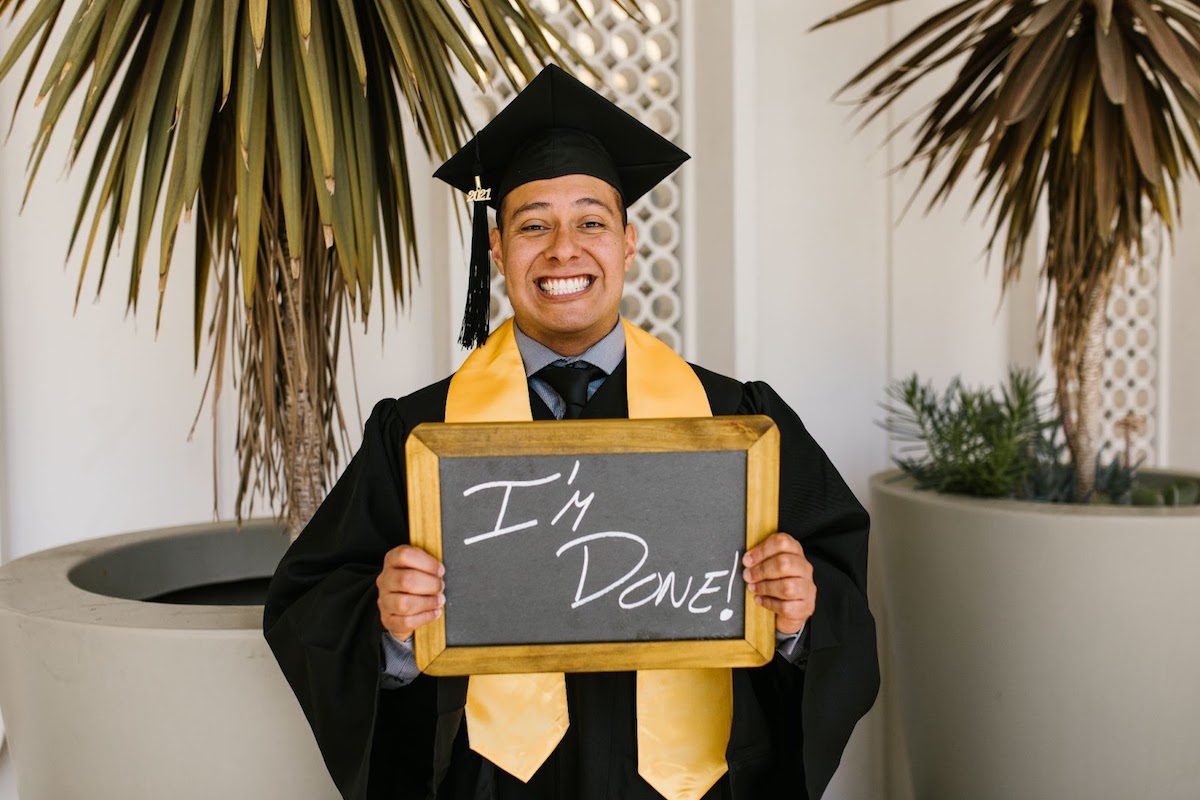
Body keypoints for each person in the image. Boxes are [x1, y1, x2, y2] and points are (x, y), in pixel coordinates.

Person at [263, 64, 879, 800]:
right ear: (497, 251)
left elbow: (835, 583)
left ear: (628, 244)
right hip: (493, 785)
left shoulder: (734, 421)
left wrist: (800, 616)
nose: (563, 249)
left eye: (591, 221)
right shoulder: (421, 433)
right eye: (532, 225)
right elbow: (311, 603)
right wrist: (390, 629)